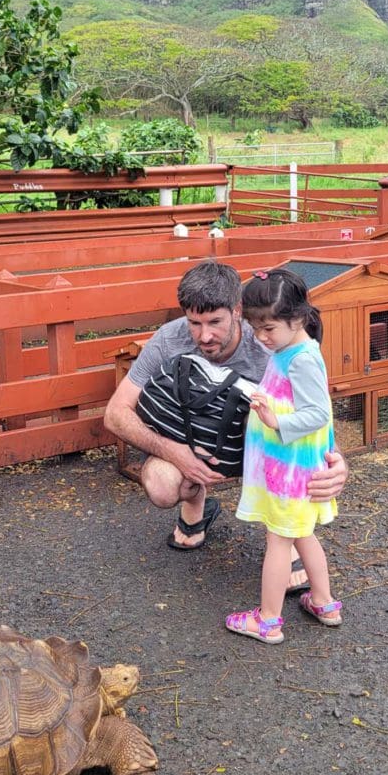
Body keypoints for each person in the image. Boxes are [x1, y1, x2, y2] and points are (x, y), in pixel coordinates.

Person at [103, 260, 347, 591]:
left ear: (237, 310)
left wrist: (335, 460)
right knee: (160, 486)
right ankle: (196, 508)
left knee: (267, 421)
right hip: (191, 440)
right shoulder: (168, 339)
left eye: (215, 322)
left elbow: (314, 410)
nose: (204, 335)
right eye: (194, 323)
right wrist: (175, 453)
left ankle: (285, 538)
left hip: (257, 444)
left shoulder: (270, 342)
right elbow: (115, 413)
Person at [226, 268, 342, 644]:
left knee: (279, 540)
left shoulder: (302, 359)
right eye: (255, 328)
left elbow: (318, 413)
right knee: (301, 533)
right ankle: (324, 602)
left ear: (298, 319)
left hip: (290, 469)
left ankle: (268, 620)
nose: (261, 337)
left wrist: (275, 420)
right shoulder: (288, 349)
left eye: (268, 329)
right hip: (287, 464)